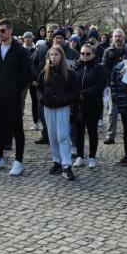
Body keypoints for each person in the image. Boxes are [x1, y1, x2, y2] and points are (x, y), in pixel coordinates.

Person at [0, 19, 32, 176]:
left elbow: (27, 75)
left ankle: (18, 161)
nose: (0, 34)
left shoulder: (20, 50)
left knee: (16, 128)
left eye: (3, 31)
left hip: (13, 96)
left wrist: (15, 89)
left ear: (10, 31)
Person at [37, 45, 80, 180]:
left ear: (61, 56)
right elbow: (39, 89)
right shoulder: (44, 73)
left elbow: (76, 91)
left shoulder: (70, 73)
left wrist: (66, 99)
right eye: (51, 55)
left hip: (62, 107)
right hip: (48, 107)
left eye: (56, 55)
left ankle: (66, 165)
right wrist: (42, 98)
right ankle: (57, 162)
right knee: (52, 136)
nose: (53, 57)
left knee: (62, 136)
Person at [73, 43, 107, 169]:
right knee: (79, 131)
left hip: (93, 104)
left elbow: (100, 85)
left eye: (88, 54)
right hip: (78, 105)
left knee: (92, 131)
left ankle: (92, 156)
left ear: (93, 54)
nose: (85, 56)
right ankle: (80, 156)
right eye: (82, 53)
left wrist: (84, 93)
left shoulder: (99, 68)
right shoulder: (77, 67)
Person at [102, 28, 127, 144]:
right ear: (112, 38)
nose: (118, 38)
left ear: (124, 37)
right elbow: (104, 68)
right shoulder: (108, 51)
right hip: (113, 85)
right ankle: (110, 135)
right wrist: (114, 77)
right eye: (116, 36)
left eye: (120, 36)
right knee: (112, 112)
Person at [22, 32, 42, 131]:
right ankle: (18, 120)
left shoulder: (37, 49)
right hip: (23, 80)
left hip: (34, 80)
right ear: (23, 39)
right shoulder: (20, 49)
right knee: (20, 101)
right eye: (26, 37)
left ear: (33, 38)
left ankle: (35, 122)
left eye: (30, 37)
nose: (28, 39)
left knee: (35, 101)